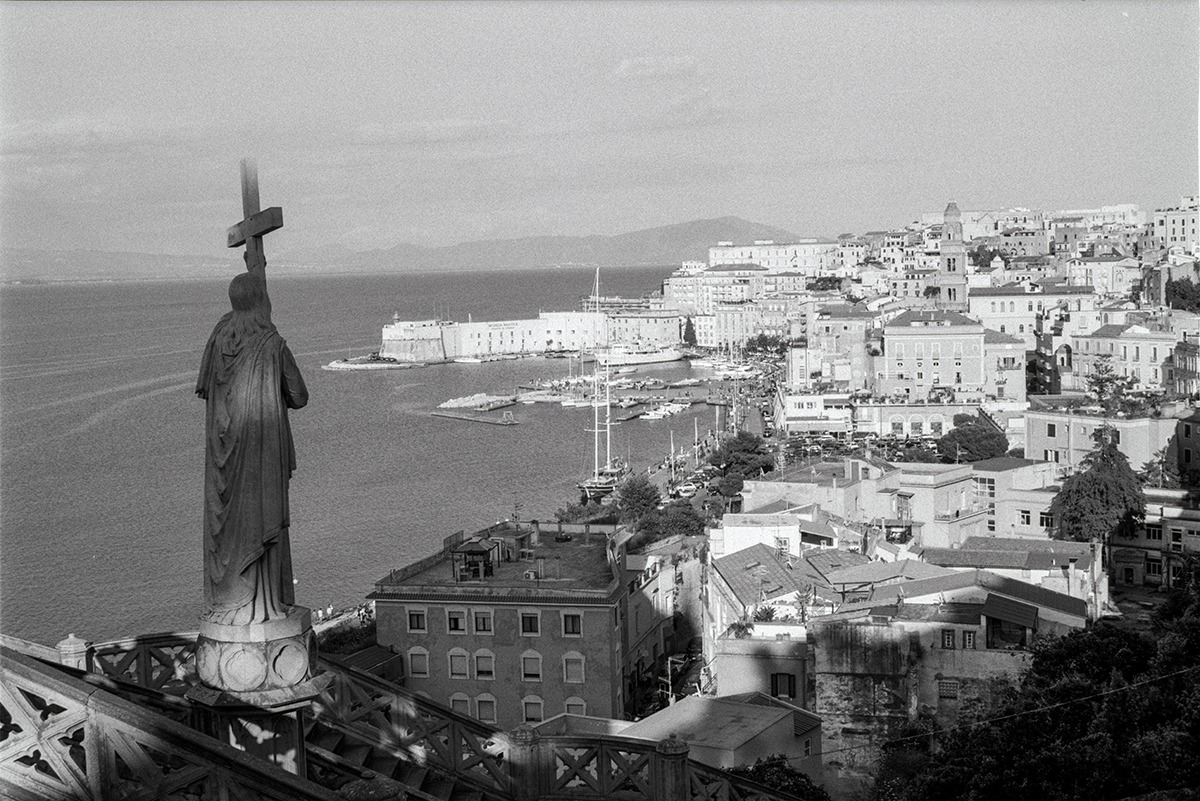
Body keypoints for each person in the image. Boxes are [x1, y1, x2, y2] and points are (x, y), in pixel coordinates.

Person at [197, 259, 307, 626]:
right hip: (260, 456)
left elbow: (206, 389)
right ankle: (265, 605)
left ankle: (232, 602)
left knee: (230, 528)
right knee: (263, 522)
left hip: (223, 460)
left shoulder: (216, 342)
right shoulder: (270, 344)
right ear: (262, 299)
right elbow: (300, 395)